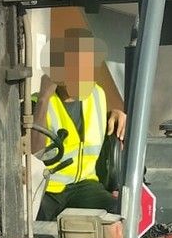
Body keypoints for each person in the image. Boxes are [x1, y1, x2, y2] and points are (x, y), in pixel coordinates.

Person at [29, 28, 127, 219]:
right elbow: (35, 151)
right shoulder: (36, 104)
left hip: (85, 185)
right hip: (47, 188)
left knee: (120, 212)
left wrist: (116, 114)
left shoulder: (97, 95)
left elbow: (96, 125)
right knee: (28, 225)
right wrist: (43, 99)